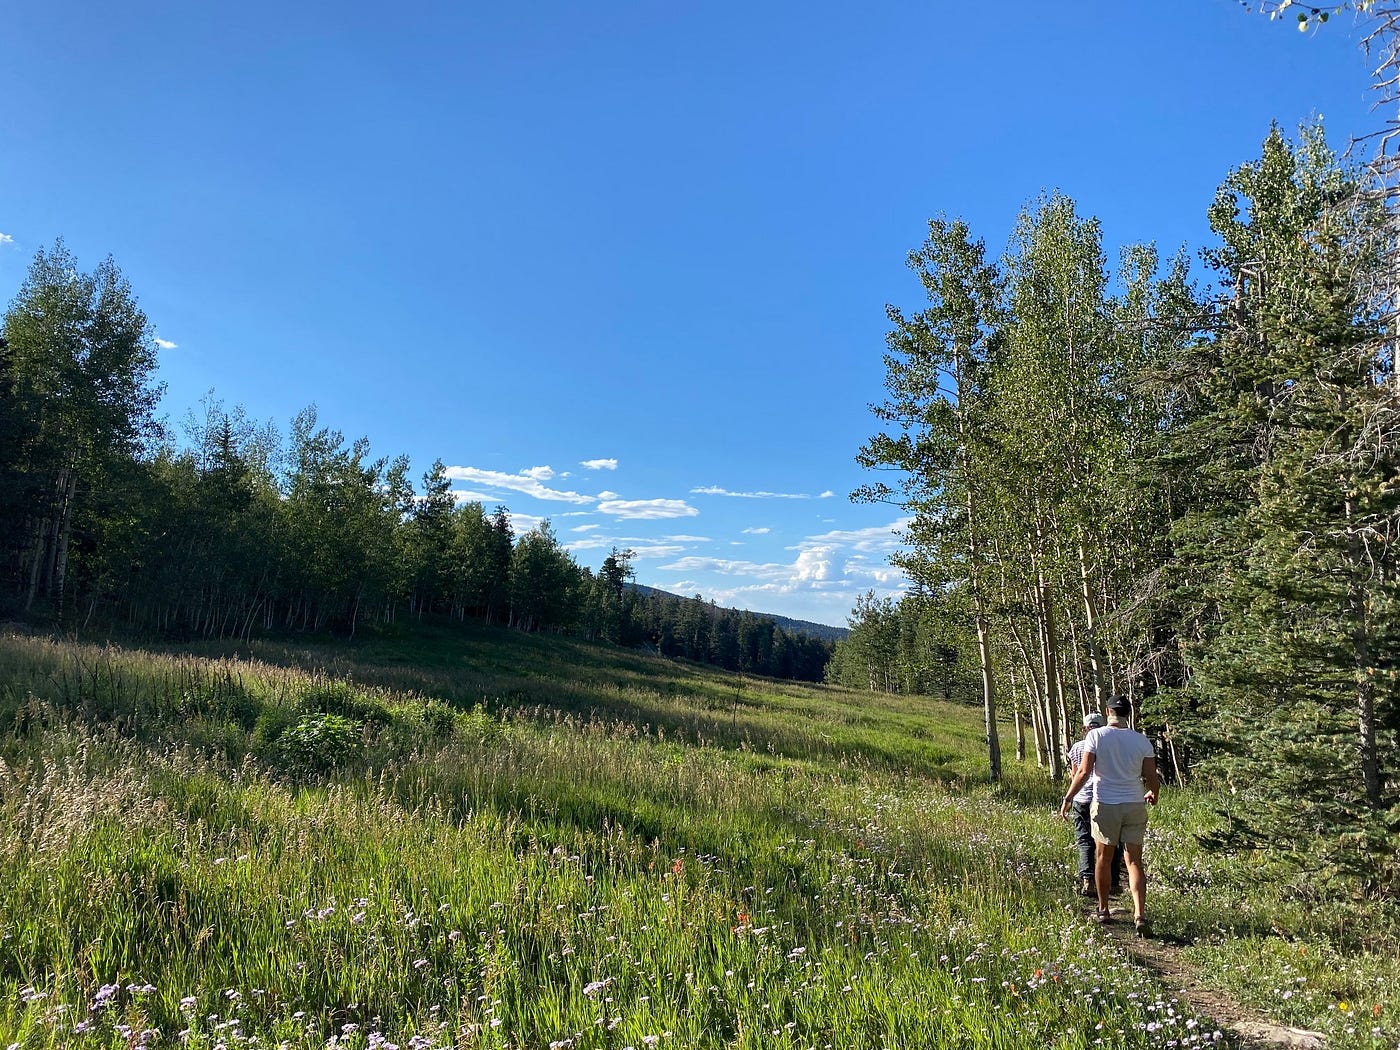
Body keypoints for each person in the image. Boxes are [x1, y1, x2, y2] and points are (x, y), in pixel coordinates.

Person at [1058, 694, 1160, 936]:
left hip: (1106, 803)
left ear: (1107, 712)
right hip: (1135, 803)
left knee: (1103, 858)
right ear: (1129, 714)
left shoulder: (1095, 735)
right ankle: (1140, 914)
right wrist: (1153, 793)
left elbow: (1083, 772)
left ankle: (1103, 909)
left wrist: (1068, 798)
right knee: (1134, 861)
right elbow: (1151, 776)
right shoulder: (1141, 741)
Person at [1065, 712, 1127, 898]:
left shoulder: (1077, 747)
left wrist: (1068, 797)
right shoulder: (1109, 746)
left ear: (1085, 729)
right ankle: (1113, 881)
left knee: (1085, 840)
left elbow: (1076, 775)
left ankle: (1088, 880)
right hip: (1105, 798)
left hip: (1082, 799)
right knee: (1110, 841)